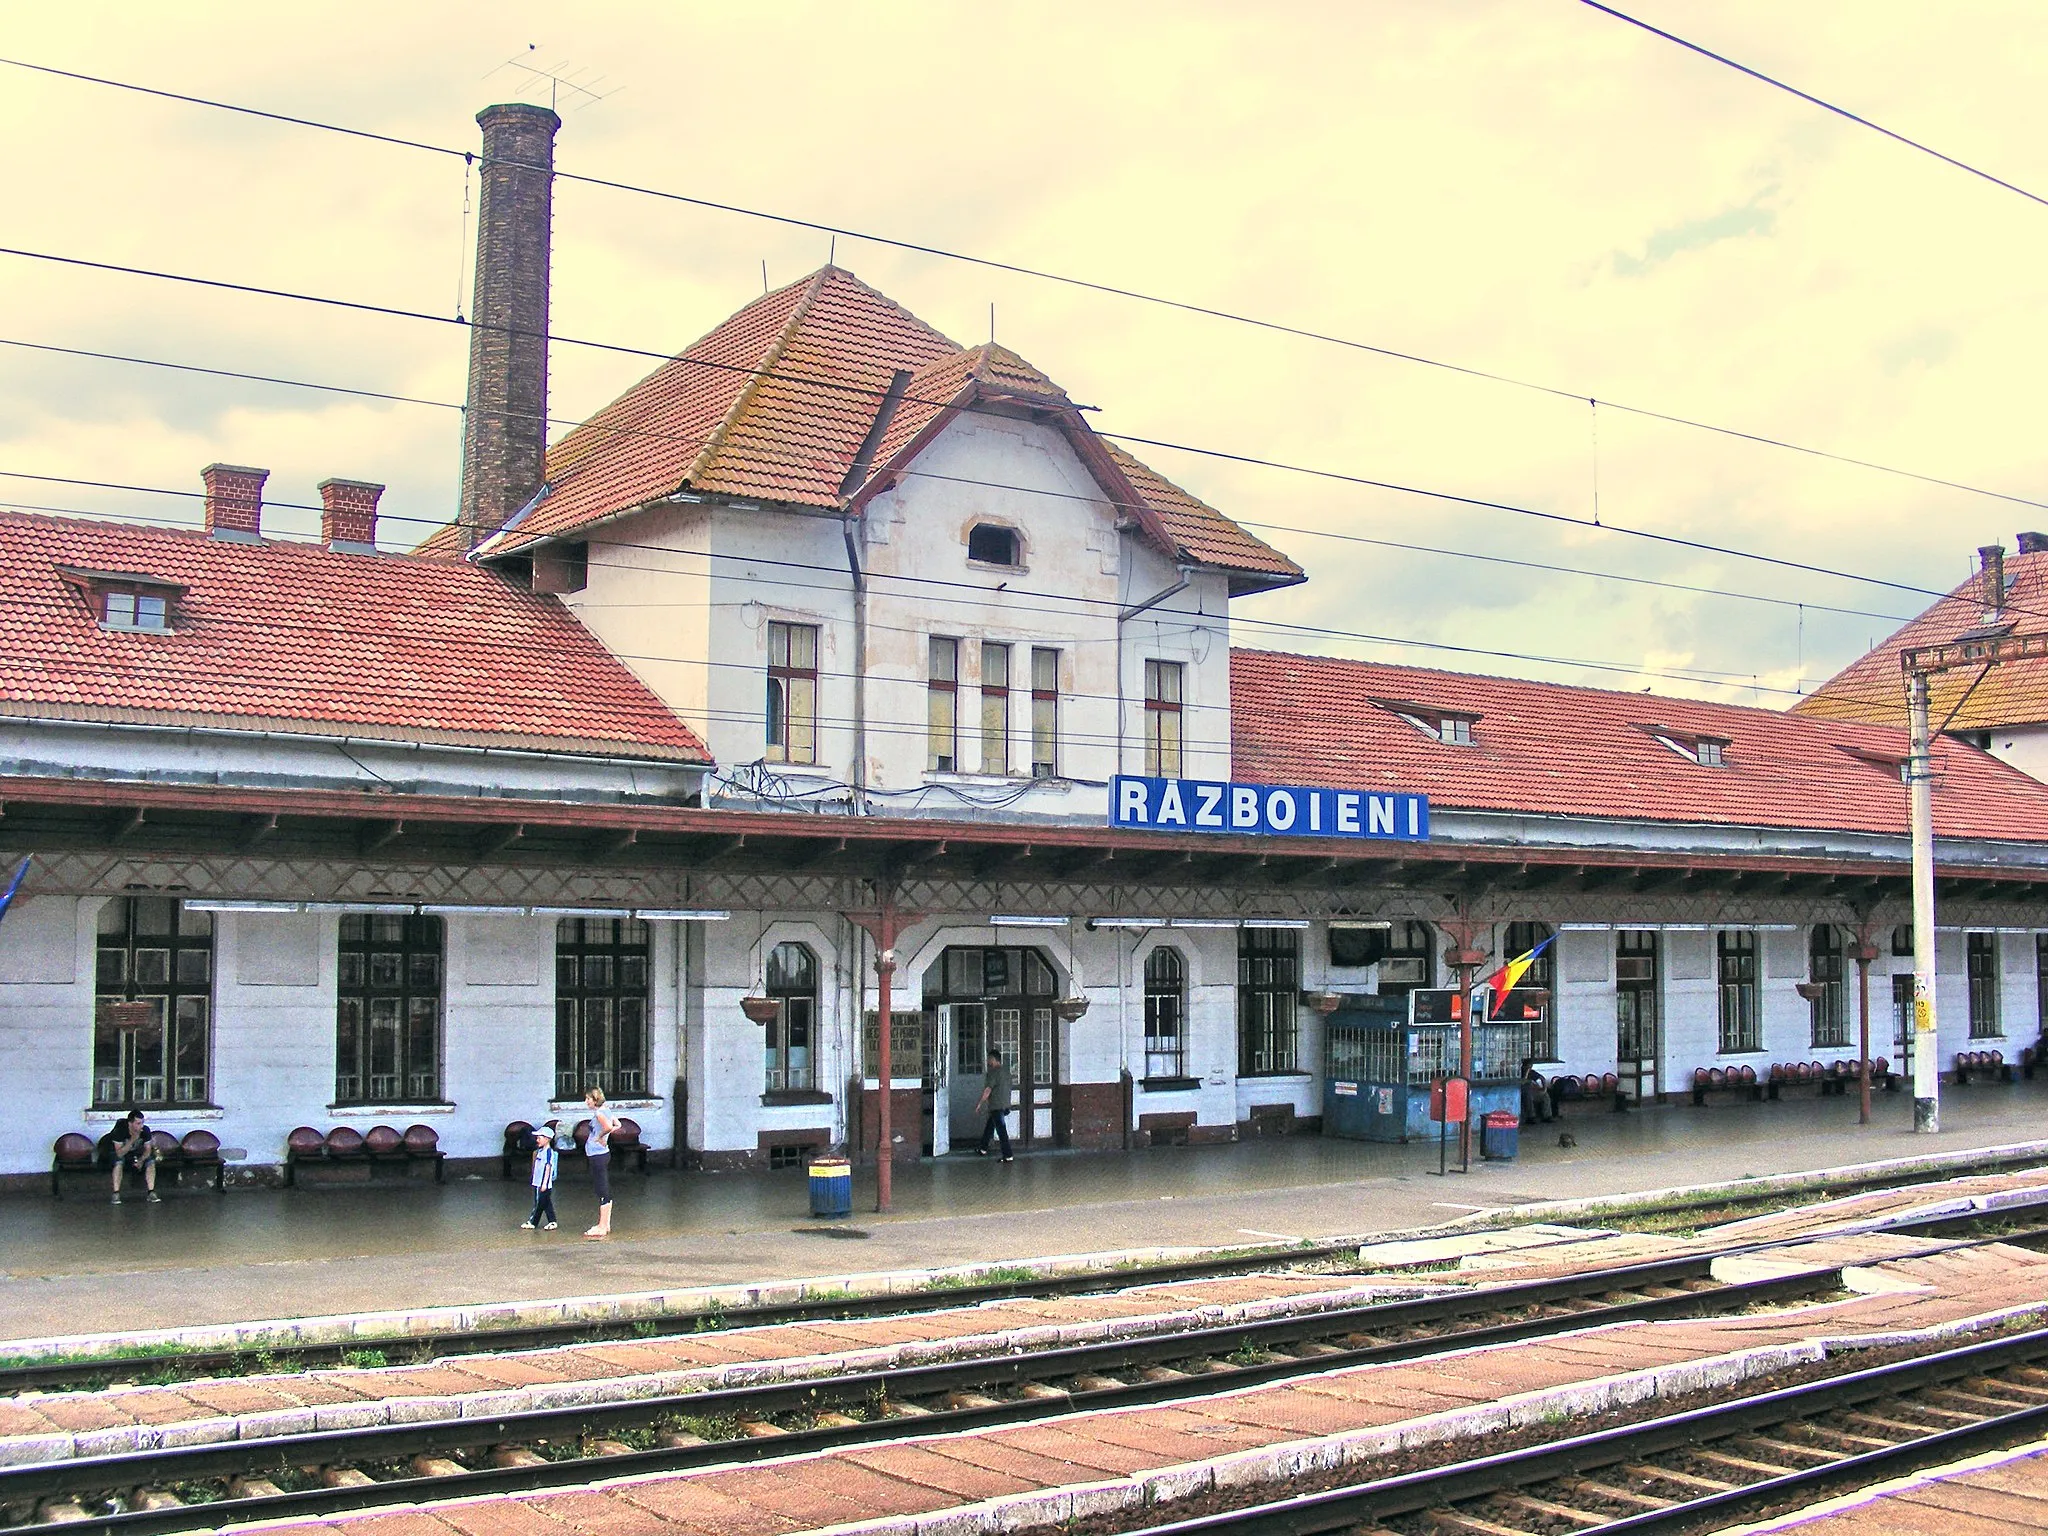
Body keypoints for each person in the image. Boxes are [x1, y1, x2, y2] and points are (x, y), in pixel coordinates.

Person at [583, 1088, 619, 1240]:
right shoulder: (607, 1110)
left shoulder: (599, 1113)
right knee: (602, 1187)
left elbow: (609, 1127)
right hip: (600, 1154)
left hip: (598, 1154)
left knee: (601, 1188)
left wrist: (601, 1137)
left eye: (588, 1099)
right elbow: (618, 1125)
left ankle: (602, 1226)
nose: (586, 1102)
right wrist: (606, 1135)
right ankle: (606, 1223)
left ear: (595, 1099)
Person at [111, 1109, 160, 1204]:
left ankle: (151, 1192)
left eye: (142, 1123)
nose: (141, 1126)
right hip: (120, 1153)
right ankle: (116, 1193)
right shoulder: (119, 1131)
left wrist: (141, 1160)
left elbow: (148, 1149)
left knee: (150, 1161)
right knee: (118, 1162)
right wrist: (132, 1140)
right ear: (130, 1123)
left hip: (136, 1153)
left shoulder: (145, 1130)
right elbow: (119, 1153)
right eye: (138, 1123)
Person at [974, 1049, 1015, 1162]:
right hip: (1005, 1104)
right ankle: (983, 1148)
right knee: (990, 1126)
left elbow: (988, 1090)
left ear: (993, 1059)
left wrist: (980, 1104)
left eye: (989, 1059)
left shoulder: (993, 1073)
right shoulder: (1007, 1072)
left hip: (997, 1106)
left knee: (1001, 1130)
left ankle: (1008, 1155)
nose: (988, 1061)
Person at [521, 1119, 560, 1231]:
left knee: (539, 1204)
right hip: (538, 1182)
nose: (537, 1140)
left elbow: (548, 1167)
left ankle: (533, 1222)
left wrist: (544, 1183)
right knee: (546, 1203)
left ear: (547, 1139)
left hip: (543, 1183)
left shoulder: (548, 1152)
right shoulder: (539, 1151)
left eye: (539, 1137)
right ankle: (552, 1221)